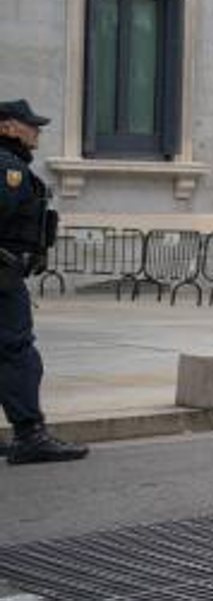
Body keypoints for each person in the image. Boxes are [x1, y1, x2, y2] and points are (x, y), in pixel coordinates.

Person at [0, 99, 88, 466]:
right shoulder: (8, 169)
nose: (37, 131)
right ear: (6, 127)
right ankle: (30, 436)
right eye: (29, 124)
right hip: (2, 279)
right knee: (18, 352)